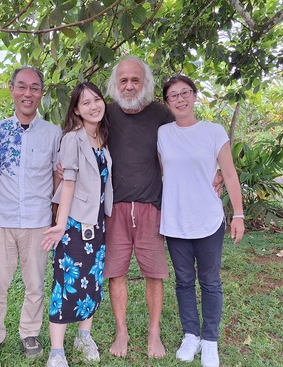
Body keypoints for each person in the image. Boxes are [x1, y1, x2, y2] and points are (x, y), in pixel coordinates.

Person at [158, 75, 245, 367]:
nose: (180, 99)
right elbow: (163, 172)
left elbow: (229, 174)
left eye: (185, 93)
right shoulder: (162, 134)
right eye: (173, 95)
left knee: (209, 281)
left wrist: (239, 215)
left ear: (194, 96)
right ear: (167, 102)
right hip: (175, 220)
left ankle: (209, 340)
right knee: (183, 281)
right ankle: (190, 335)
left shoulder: (213, 131)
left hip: (208, 219)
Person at [0, 66, 62, 361]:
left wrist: (55, 215)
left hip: (37, 221)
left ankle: (30, 332)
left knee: (35, 283)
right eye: (21, 86)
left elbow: (58, 176)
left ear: (41, 93)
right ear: (11, 89)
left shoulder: (53, 134)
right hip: (1, 220)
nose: (27, 93)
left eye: (34, 87)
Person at [103, 56, 174, 358]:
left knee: (154, 274)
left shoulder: (162, 114)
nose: (129, 86)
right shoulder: (104, 114)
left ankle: (154, 334)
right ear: (115, 85)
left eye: (135, 80)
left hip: (151, 207)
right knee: (116, 274)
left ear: (145, 83)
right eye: (123, 80)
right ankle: (122, 332)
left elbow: (179, 152)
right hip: (114, 208)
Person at [40, 82, 113, 367]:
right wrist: (60, 225)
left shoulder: (101, 138)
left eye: (97, 99)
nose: (93, 106)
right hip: (74, 224)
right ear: (76, 110)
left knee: (92, 282)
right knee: (66, 285)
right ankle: (56, 353)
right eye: (86, 103)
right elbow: (68, 182)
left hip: (97, 223)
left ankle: (84, 337)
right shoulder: (73, 138)